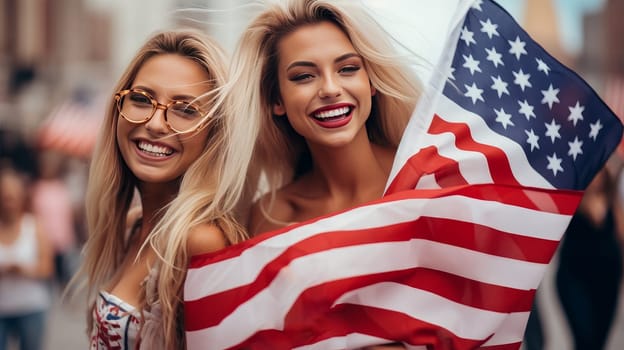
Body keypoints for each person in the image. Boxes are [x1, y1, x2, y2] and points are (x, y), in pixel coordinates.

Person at [67, 29, 247, 349]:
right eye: (140, 99)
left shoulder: (202, 240)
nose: (155, 123)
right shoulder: (131, 225)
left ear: (215, 132)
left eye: (185, 109)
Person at [229, 0, 422, 237]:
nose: (330, 89)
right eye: (304, 76)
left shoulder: (425, 174)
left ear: (371, 82)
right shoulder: (273, 216)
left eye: (348, 69)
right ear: (277, 101)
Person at [555, 164, 623, 350]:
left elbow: (621, 234)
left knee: (598, 342)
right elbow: (593, 215)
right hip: (575, 279)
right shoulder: (574, 199)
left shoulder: (611, 201)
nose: (596, 178)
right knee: (584, 341)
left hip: (607, 280)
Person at [0, 165, 54, 350]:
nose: (8, 202)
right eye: (5, 196)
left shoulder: (34, 226)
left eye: (12, 197)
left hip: (31, 306)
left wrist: (22, 269)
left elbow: (47, 268)